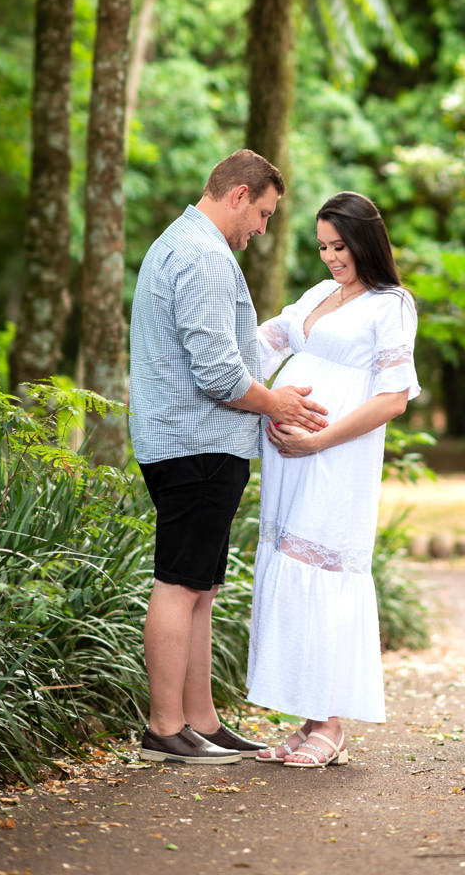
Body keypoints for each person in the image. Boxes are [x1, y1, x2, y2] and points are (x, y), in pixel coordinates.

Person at [129, 149, 329, 765]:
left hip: (190, 442)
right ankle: (166, 727)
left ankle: (201, 722)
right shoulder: (206, 255)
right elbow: (219, 374)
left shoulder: (179, 243)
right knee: (178, 583)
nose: (262, 229)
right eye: (263, 214)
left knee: (200, 587)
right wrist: (277, 403)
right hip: (198, 444)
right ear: (239, 195)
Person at [246, 191, 420, 767]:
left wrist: (319, 439)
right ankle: (309, 719)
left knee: (322, 571)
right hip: (291, 459)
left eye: (340, 246)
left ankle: (332, 725)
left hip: (335, 457)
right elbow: (263, 341)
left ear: (366, 242)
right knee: (291, 569)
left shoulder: (391, 304)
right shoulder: (320, 294)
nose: (330, 258)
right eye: (322, 247)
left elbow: (394, 398)